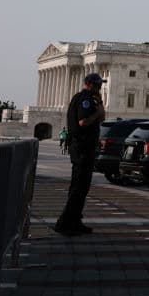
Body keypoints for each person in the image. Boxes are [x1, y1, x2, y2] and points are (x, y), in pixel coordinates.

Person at [54, 73, 106, 237]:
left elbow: (102, 118)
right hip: (82, 148)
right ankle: (64, 223)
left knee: (82, 187)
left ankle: (75, 221)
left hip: (85, 148)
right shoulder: (84, 99)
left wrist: (100, 103)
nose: (100, 88)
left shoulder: (91, 99)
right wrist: (96, 114)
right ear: (89, 84)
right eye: (97, 85)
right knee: (78, 187)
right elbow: (83, 122)